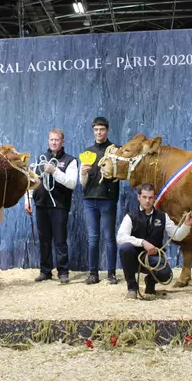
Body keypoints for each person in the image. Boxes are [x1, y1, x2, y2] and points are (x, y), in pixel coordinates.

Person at [116, 183, 192, 299]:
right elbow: (121, 237)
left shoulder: (163, 216)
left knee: (166, 274)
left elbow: (176, 235)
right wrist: (143, 242)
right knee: (125, 248)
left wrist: (186, 225)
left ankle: (151, 281)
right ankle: (132, 288)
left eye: (150, 198)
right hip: (135, 257)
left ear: (154, 198)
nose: (147, 201)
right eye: (144, 197)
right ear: (139, 197)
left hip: (154, 258)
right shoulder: (130, 216)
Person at [25, 129, 78, 284]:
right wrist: (27, 200)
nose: (54, 142)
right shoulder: (40, 159)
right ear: (48, 141)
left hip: (60, 205)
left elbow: (72, 183)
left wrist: (55, 171)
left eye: (57, 140)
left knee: (60, 240)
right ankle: (45, 271)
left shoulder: (70, 160)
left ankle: (63, 272)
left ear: (63, 142)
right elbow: (31, 181)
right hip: (41, 204)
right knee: (44, 240)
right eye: (52, 139)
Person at [80, 116, 121, 285]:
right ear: (93, 131)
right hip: (89, 198)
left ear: (107, 130)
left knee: (109, 237)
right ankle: (93, 274)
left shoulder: (115, 150)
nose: (99, 132)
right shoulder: (87, 152)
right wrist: (83, 172)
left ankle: (111, 273)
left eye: (102, 129)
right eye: (96, 130)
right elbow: (82, 184)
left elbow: (121, 175)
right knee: (93, 238)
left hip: (108, 198)